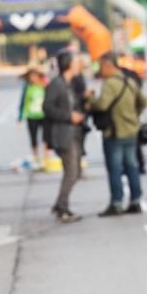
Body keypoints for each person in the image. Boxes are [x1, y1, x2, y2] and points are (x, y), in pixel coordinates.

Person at [91, 52, 147, 216]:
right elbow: (143, 101)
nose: (100, 70)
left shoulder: (110, 84)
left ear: (109, 65)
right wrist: (133, 115)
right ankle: (136, 200)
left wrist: (90, 100)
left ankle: (116, 203)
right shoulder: (129, 81)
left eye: (101, 66)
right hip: (131, 131)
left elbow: (102, 105)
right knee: (132, 167)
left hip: (115, 133)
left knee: (115, 168)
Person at [42, 51, 84, 222]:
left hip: (73, 133)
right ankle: (62, 208)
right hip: (62, 134)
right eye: (75, 62)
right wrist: (69, 116)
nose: (79, 64)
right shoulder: (56, 84)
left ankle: (60, 204)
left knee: (75, 171)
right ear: (68, 64)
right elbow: (47, 107)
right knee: (72, 173)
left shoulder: (68, 84)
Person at [18, 67, 47, 167]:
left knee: (46, 138)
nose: (32, 78)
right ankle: (35, 158)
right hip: (31, 116)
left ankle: (47, 159)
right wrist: (20, 117)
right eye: (31, 76)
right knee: (33, 138)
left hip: (43, 115)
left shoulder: (43, 85)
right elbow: (22, 102)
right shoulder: (27, 87)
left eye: (34, 76)